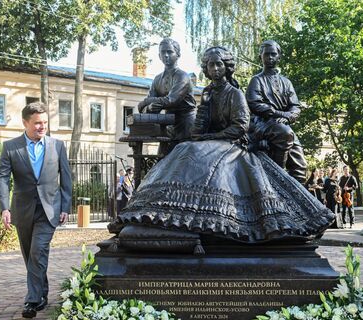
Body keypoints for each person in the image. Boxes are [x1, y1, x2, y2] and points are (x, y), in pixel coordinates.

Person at [117, 46, 334, 245]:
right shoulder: (208, 94)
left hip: (233, 144)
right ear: (207, 69)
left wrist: (212, 136)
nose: (215, 68)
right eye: (211, 65)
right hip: (212, 142)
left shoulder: (235, 93)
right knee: (185, 148)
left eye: (219, 64)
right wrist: (200, 130)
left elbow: (240, 127)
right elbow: (198, 128)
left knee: (201, 153)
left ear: (227, 67)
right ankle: (162, 208)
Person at [0, 102, 72, 319]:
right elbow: (2, 178)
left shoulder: (57, 146)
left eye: (45, 122)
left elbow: (66, 178)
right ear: (25, 123)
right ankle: (42, 292)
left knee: (38, 251)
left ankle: (32, 300)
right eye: (37, 123)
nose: (42, 126)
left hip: (49, 210)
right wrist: (4, 208)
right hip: (23, 210)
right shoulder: (11, 147)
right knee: (31, 255)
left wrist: (65, 206)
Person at [246, 40, 307, 183]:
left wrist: (287, 118)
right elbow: (255, 104)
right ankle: (278, 179)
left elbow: (295, 107)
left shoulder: (286, 82)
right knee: (285, 133)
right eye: (266, 54)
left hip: (283, 124)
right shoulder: (256, 80)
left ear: (279, 57)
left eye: (273, 54)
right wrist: (279, 114)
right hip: (263, 124)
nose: (270, 57)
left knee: (301, 167)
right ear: (260, 56)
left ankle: (296, 201)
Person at [137, 38, 197, 150]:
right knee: (163, 160)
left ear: (178, 54)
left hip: (187, 127)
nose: (166, 55)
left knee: (184, 162)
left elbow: (171, 100)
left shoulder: (182, 76)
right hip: (168, 126)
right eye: (163, 52)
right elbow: (145, 108)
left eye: (170, 52)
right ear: (159, 56)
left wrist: (146, 102)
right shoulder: (157, 79)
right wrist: (149, 107)